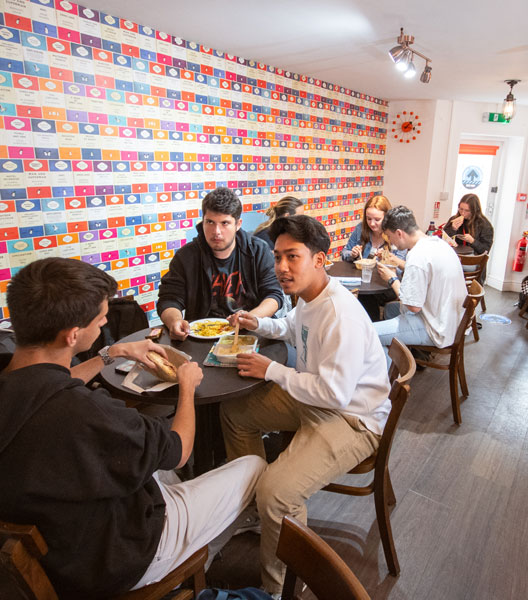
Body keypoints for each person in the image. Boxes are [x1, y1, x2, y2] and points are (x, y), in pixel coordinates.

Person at [0, 258, 266, 599]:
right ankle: (193, 563)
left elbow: (49, 382)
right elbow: (180, 450)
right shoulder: (89, 414)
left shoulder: (13, 381)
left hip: (63, 543)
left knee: (159, 470)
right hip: (119, 558)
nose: (105, 322)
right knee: (253, 467)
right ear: (72, 335)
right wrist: (186, 385)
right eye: (101, 319)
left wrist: (112, 353)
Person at [219, 215, 391, 598]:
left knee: (278, 492)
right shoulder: (310, 297)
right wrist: (257, 325)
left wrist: (272, 370)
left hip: (353, 419)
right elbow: (291, 326)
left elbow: (335, 395)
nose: (281, 267)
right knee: (234, 413)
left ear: (319, 259)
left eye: (292, 257)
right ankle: (254, 507)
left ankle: (278, 589)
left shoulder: (339, 313)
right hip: (317, 397)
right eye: (278, 256)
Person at [157, 187, 283, 340]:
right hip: (202, 336)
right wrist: (175, 321)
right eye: (210, 222)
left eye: (225, 223)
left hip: (251, 333)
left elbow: (274, 295)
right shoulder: (187, 256)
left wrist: (251, 319)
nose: (216, 231)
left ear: (237, 224)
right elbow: (169, 299)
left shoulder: (258, 250)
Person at [373, 206, 468, 360]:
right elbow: (426, 273)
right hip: (451, 320)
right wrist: (398, 263)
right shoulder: (437, 243)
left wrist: (392, 279)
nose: (391, 242)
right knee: (391, 309)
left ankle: (391, 378)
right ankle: (409, 358)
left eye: (390, 237)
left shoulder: (417, 256)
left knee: (370, 333)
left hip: (435, 328)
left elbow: (413, 306)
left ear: (399, 233)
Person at [341, 195, 408, 321]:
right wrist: (352, 254)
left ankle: (371, 330)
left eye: (377, 219)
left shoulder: (395, 234)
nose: (372, 223)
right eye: (368, 218)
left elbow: (398, 271)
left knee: (365, 297)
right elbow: (344, 253)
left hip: (386, 286)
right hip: (362, 281)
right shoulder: (361, 229)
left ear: (387, 218)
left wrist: (387, 260)